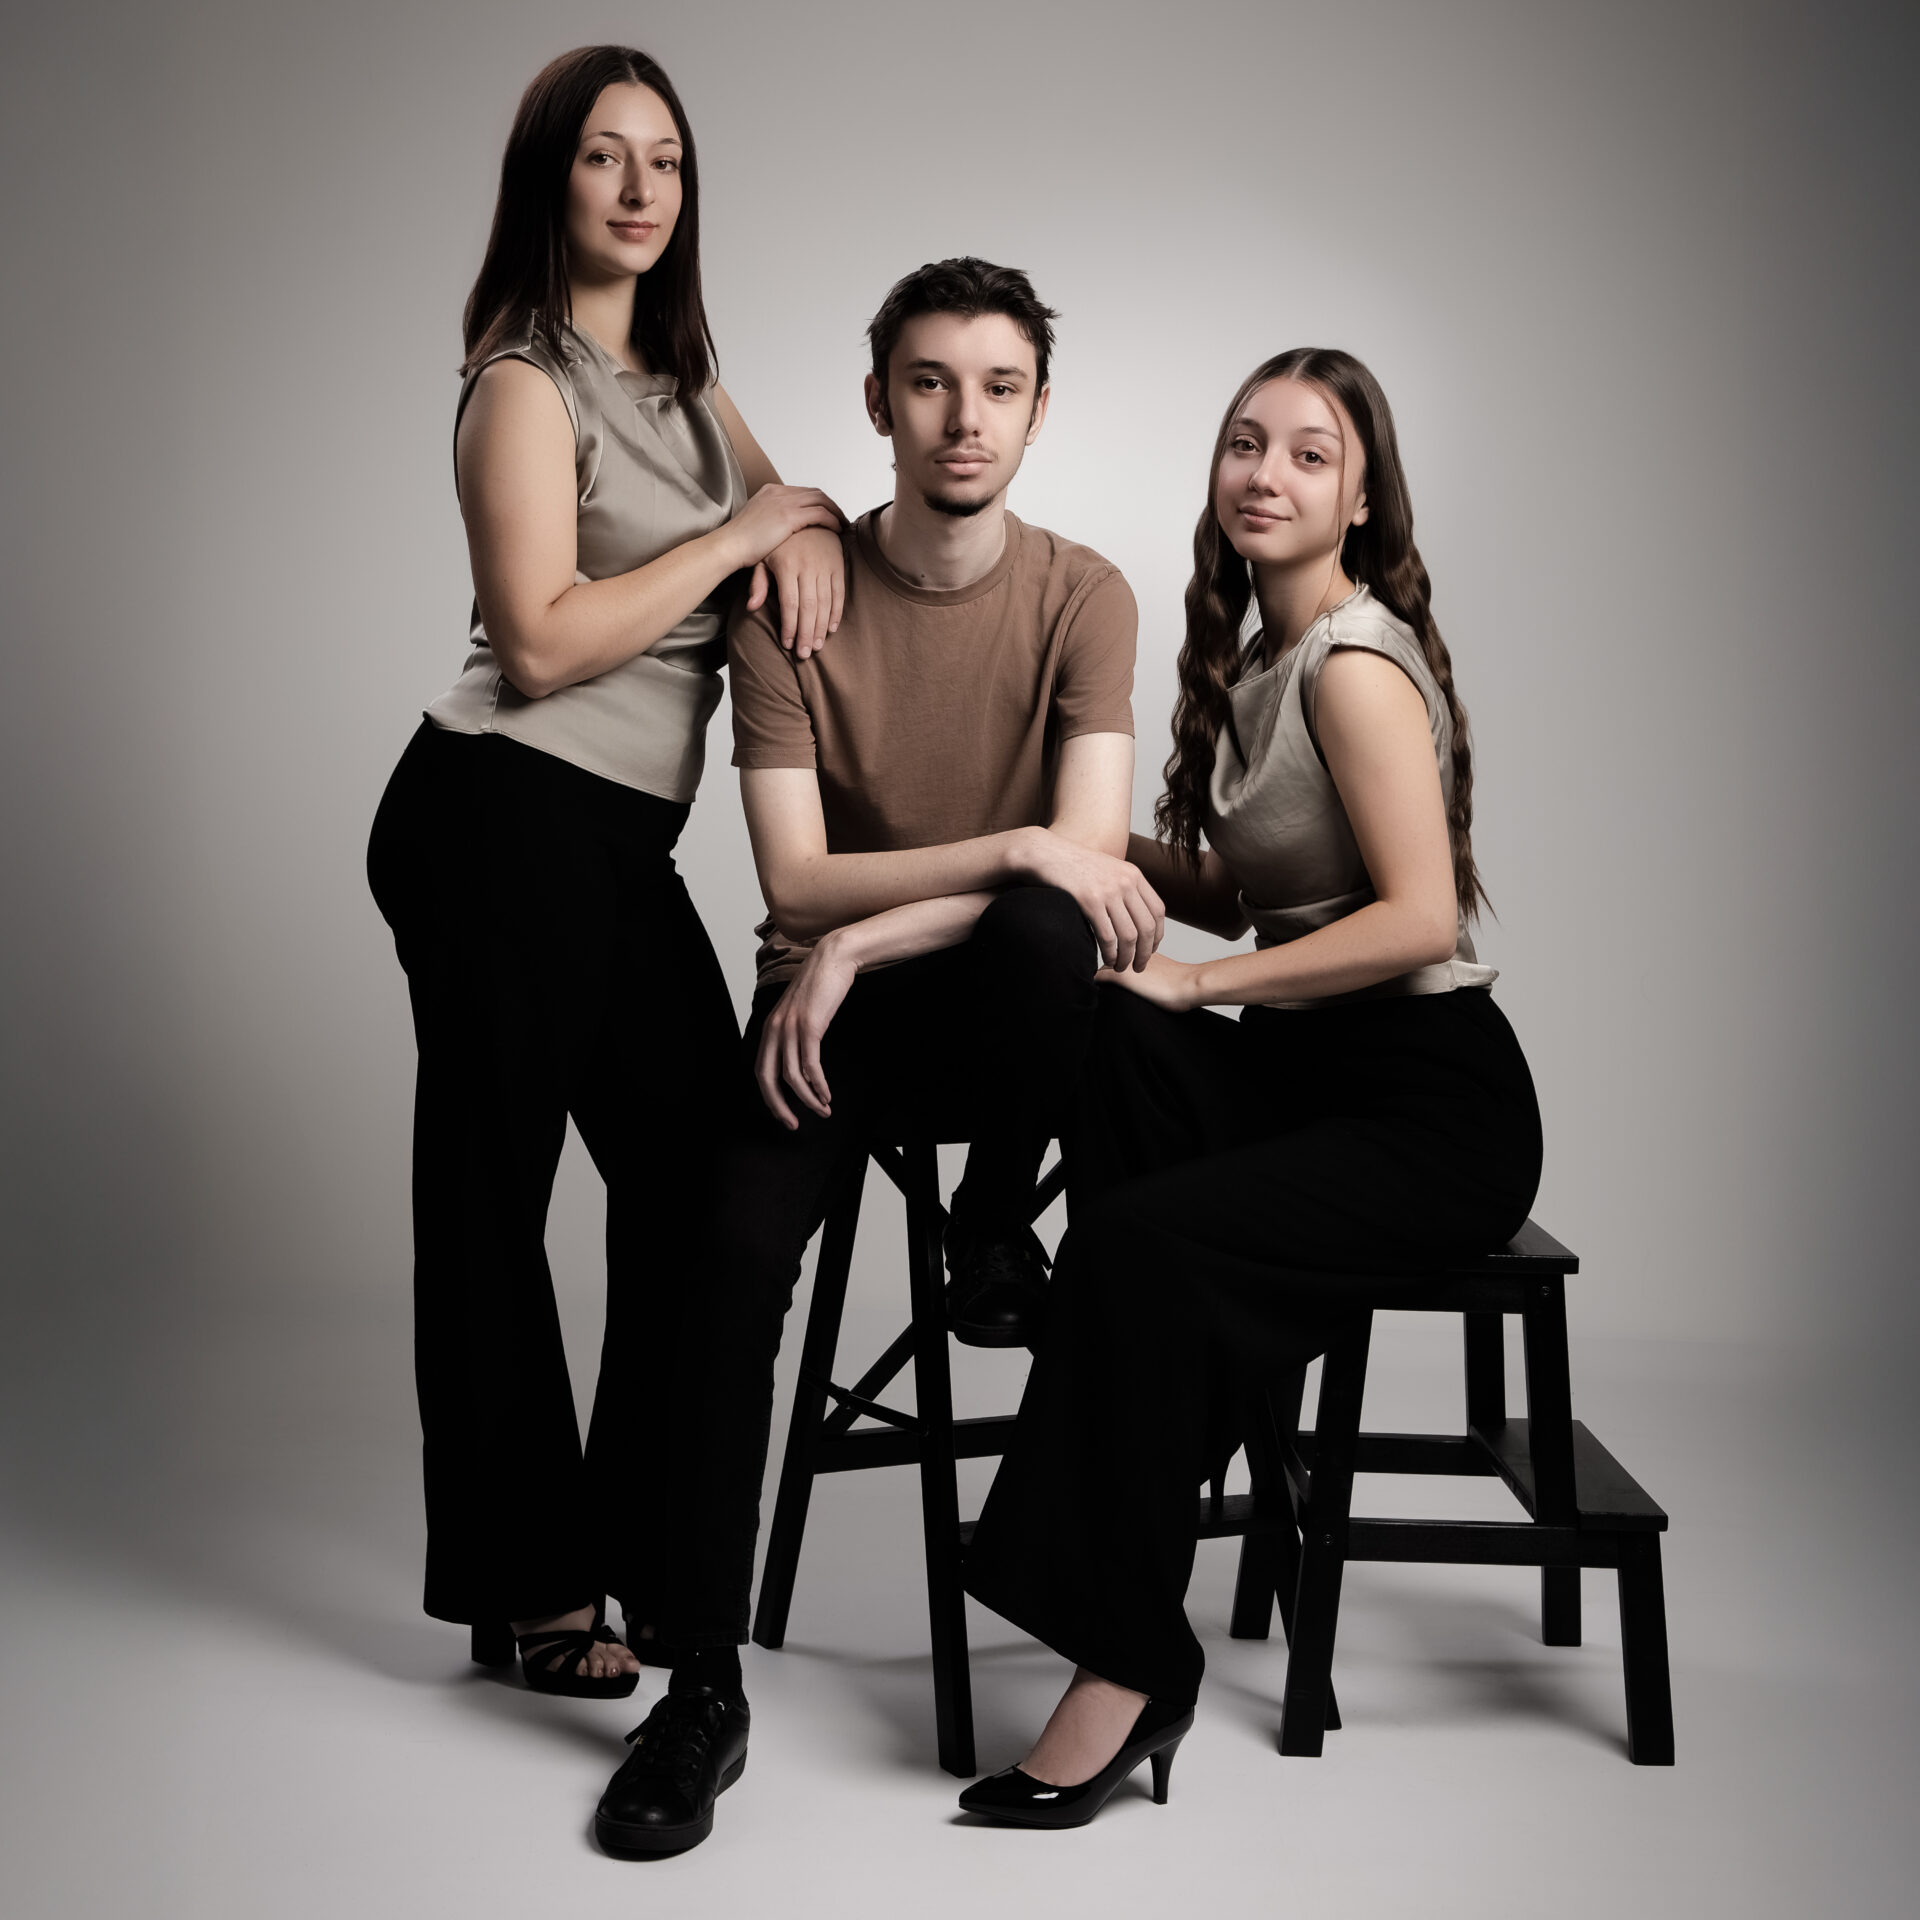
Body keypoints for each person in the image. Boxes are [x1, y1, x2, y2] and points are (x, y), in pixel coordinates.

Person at [592, 257, 1164, 1857]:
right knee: (716, 1266)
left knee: (1059, 935)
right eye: (929, 382)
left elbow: (1097, 872)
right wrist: (853, 937)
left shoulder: (1086, 593)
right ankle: (699, 1687)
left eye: (996, 386)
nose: (962, 417)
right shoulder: (801, 591)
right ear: (877, 403)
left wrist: (870, 929)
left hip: (992, 1012)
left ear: (1038, 413)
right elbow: (794, 884)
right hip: (821, 1032)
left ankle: (995, 1223)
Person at [957, 348, 1545, 1828]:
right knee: (1097, 1018)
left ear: (1359, 495)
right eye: (1243, 445)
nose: (1265, 474)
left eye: (1307, 453)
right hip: (1310, 1075)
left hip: (1429, 1104)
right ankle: (1038, 1265)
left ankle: (1127, 1660)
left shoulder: (1353, 659)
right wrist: (1076, 840)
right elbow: (1241, 888)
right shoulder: (1256, 665)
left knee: (1143, 1237)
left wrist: (1202, 986)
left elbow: (1418, 916)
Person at [365, 45, 844, 1701]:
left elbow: (802, 512)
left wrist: (813, 545)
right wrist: (735, 546)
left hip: (609, 842)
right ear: (547, 182)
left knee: (702, 1175)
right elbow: (544, 642)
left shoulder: (686, 383)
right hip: (498, 812)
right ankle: (536, 1589)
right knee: (491, 1204)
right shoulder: (522, 383)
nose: (641, 192)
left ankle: (636, 1555)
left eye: (668, 164)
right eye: (604, 160)